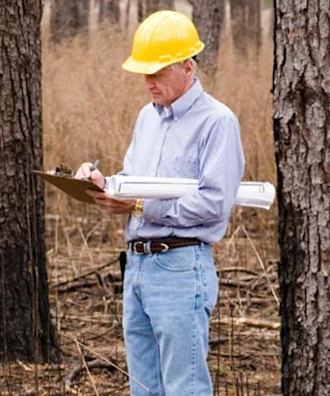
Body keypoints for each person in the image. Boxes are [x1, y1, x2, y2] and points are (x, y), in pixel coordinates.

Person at [74, 10, 244, 396]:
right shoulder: (145, 119)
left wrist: (138, 207)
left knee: (185, 387)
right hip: (137, 267)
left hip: (181, 268)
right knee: (144, 388)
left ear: (188, 67)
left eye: (157, 72)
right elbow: (137, 184)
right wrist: (103, 182)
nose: (148, 82)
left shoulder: (217, 123)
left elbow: (215, 204)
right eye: (143, 73)